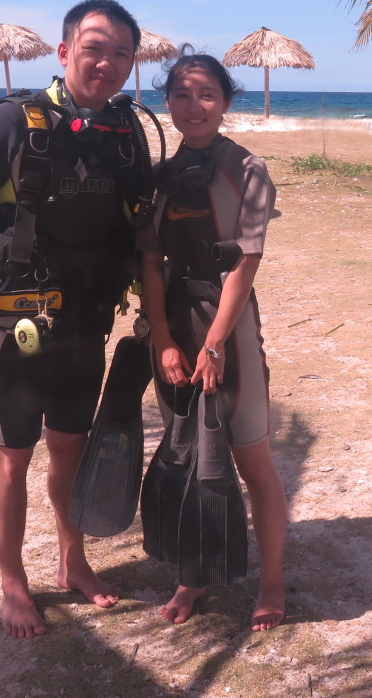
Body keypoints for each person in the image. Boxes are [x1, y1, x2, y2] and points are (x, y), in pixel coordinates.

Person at [0, 0, 146, 638]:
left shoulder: (126, 132)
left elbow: (142, 230)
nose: (106, 62)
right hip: (13, 324)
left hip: (86, 321)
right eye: (94, 47)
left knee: (71, 449)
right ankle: (12, 581)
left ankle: (72, 560)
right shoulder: (12, 122)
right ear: (64, 51)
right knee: (11, 453)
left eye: (121, 53)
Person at [138, 48, 288, 631]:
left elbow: (243, 266)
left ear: (225, 102)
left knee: (251, 459)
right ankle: (192, 577)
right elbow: (151, 262)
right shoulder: (160, 177)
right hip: (175, 320)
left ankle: (271, 583)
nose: (193, 106)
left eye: (206, 95)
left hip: (229, 327)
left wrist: (216, 343)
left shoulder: (248, 171)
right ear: (167, 101)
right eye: (181, 94)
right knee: (186, 453)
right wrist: (165, 341)